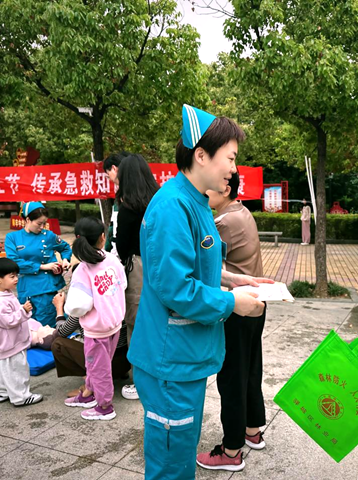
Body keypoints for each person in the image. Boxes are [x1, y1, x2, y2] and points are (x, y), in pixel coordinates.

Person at [128, 104, 271, 480]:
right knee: (172, 465)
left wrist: (232, 280)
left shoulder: (196, 202)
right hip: (169, 359)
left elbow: (195, 267)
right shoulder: (173, 207)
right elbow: (175, 286)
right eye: (231, 158)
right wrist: (231, 302)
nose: (234, 169)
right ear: (202, 155)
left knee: (179, 453)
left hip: (185, 355)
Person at [196, 172, 267, 472]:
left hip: (237, 308)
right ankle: (252, 430)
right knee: (250, 369)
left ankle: (231, 450)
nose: (203, 193)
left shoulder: (223, 222)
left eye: (208, 188)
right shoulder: (242, 211)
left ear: (225, 188)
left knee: (232, 379)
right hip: (256, 303)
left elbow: (203, 264)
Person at [63, 217, 127, 421]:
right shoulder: (112, 260)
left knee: (99, 368)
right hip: (114, 324)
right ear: (102, 237)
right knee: (98, 365)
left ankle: (105, 406)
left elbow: (77, 306)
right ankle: (89, 393)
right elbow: (123, 285)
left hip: (96, 329)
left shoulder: (83, 269)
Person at [115, 153, 159, 401]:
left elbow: (122, 247)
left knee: (136, 324)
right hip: (161, 266)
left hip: (139, 269)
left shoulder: (128, 208)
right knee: (157, 320)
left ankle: (140, 381)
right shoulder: (159, 202)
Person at [0, 257, 43, 406]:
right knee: (17, 369)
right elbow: (8, 321)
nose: (16, 279)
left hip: (4, 341)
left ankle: (2, 392)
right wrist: (23, 311)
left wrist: (19, 309)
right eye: (12, 276)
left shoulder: (1, 296)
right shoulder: (1, 300)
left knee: (4, 367)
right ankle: (21, 397)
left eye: (16, 275)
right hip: (11, 342)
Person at [50, 291, 132, 398]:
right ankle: (119, 375)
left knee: (58, 344)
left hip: (104, 364)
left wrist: (59, 308)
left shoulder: (84, 304)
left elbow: (61, 332)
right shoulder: (116, 297)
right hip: (126, 362)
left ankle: (91, 384)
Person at [5, 202, 72, 327]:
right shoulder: (12, 237)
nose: (42, 227)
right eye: (39, 223)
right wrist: (42, 266)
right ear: (28, 220)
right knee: (26, 325)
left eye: (44, 223)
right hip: (24, 287)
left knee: (46, 326)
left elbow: (65, 248)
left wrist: (65, 260)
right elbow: (13, 262)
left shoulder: (48, 236)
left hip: (46, 287)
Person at [103, 151, 130, 257]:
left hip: (125, 256)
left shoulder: (125, 196)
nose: (110, 179)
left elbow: (112, 229)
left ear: (114, 169)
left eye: (108, 175)